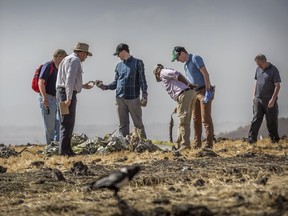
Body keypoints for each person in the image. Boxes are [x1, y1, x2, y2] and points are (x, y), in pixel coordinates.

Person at [96, 43, 148, 138]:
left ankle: (143, 145)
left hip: (133, 99)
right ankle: (125, 145)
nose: (117, 56)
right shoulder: (118, 66)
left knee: (138, 124)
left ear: (123, 51)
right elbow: (116, 83)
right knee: (123, 125)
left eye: (118, 54)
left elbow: (142, 80)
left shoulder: (138, 63)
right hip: (119, 99)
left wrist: (144, 96)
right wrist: (104, 86)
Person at [171, 46, 215, 149]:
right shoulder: (185, 66)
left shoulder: (195, 58)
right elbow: (189, 84)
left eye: (177, 58)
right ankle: (197, 145)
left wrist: (208, 90)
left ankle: (209, 145)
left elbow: (205, 74)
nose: (177, 60)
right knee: (196, 120)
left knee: (206, 118)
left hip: (204, 90)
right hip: (194, 93)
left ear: (182, 53)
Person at [56, 42, 93, 156]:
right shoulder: (75, 60)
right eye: (86, 54)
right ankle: (64, 151)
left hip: (62, 92)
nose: (86, 57)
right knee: (67, 122)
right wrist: (69, 97)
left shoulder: (67, 59)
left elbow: (67, 79)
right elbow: (69, 79)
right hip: (66, 93)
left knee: (66, 122)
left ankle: (66, 149)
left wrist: (81, 85)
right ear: (82, 53)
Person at [153, 64, 196, 150]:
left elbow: (176, 74)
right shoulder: (165, 74)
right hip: (188, 94)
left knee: (183, 121)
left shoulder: (162, 72)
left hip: (184, 94)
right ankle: (179, 145)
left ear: (157, 73)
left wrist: (188, 84)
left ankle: (185, 146)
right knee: (184, 121)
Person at [247, 54, 281, 144]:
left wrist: (273, 100)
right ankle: (251, 139)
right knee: (256, 118)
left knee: (271, 120)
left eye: (260, 64)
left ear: (264, 61)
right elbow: (256, 82)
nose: (258, 66)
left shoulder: (274, 70)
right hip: (258, 99)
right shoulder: (258, 69)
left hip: (269, 100)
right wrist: (253, 96)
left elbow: (277, 86)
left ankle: (274, 140)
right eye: (257, 65)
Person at [38, 49, 67, 147]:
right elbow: (40, 82)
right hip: (48, 99)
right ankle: (50, 147)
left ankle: (58, 147)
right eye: (64, 58)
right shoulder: (48, 66)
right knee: (50, 126)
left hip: (58, 99)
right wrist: (44, 98)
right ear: (58, 57)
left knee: (59, 125)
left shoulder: (60, 68)